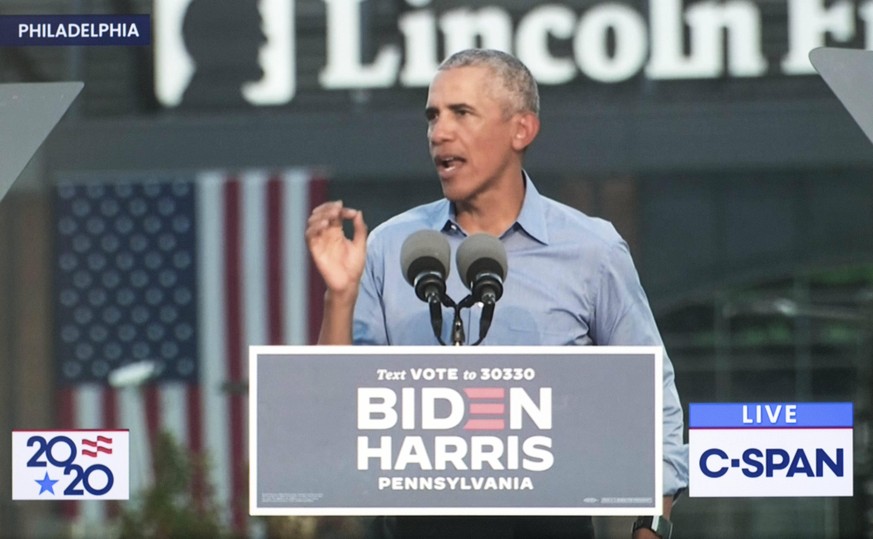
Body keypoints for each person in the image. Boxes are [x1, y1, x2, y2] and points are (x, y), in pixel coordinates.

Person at [305, 48, 688, 539]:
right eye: (432, 116)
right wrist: (339, 295)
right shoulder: (389, 248)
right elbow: (335, 413)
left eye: (461, 113)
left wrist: (649, 526)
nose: (439, 133)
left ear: (521, 130)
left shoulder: (591, 250)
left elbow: (651, 395)